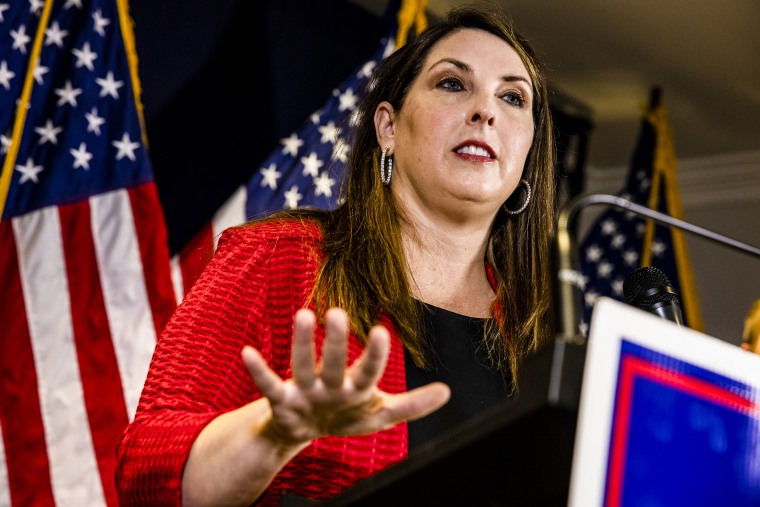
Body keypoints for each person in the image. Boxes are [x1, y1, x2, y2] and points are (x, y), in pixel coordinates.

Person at [115, 4, 557, 506]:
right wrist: (273, 432)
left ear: (527, 154)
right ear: (388, 126)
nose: (486, 110)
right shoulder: (280, 258)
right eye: (453, 84)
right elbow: (146, 473)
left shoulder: (544, 328)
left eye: (513, 97)